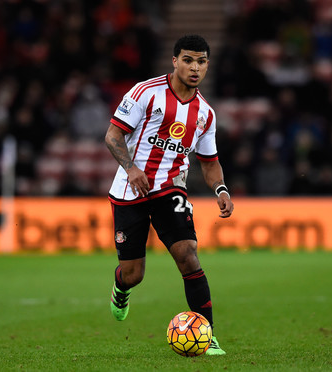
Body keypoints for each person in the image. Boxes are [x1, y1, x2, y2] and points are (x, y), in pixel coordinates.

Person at [104, 34, 233, 356]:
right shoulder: (146, 93)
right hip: (129, 189)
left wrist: (221, 189)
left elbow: (210, 161)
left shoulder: (205, 113)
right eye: (188, 60)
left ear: (207, 66)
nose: (195, 67)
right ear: (174, 61)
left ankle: (208, 334)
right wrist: (132, 169)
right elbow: (113, 135)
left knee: (188, 254)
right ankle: (121, 288)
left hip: (170, 188)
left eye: (201, 61)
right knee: (134, 274)